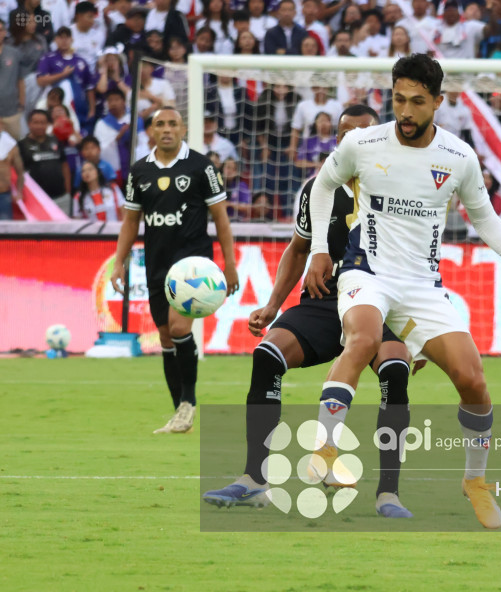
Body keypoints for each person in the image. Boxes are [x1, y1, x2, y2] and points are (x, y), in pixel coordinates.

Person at [304, 55, 501, 530]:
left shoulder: (458, 156)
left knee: (473, 380)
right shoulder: (363, 143)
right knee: (362, 339)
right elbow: (323, 188)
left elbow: (483, 216)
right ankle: (324, 446)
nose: (405, 111)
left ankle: (475, 482)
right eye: (399, 99)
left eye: (417, 102)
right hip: (367, 270)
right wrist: (320, 249)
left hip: (422, 285)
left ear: (438, 103)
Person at [203, 105, 418, 518]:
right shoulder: (317, 188)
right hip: (325, 301)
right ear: (336, 142)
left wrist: (415, 333)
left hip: (381, 304)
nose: (353, 140)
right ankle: (254, 480)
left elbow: (419, 267)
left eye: (363, 133)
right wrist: (272, 304)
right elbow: (298, 250)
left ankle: (388, 494)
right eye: (344, 134)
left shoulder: (403, 192)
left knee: (395, 370)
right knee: (267, 355)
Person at [111, 107, 239, 434]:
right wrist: (118, 263)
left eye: (172, 124)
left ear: (183, 129)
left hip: (193, 263)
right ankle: (179, 412)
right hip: (157, 263)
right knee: (165, 335)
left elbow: (221, 219)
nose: (166, 129)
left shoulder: (201, 166)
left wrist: (230, 265)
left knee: (179, 327)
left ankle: (189, 402)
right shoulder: (139, 171)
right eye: (160, 124)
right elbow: (130, 222)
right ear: (151, 131)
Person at [17, 109, 71, 214]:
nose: (39, 126)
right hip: (36, 200)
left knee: (63, 230)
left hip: (61, 197)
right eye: (36, 122)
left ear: (48, 124)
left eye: (42, 123)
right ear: (29, 124)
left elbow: (64, 166)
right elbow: (19, 172)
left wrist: (68, 191)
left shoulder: (55, 140)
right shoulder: (22, 145)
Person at [0, 18, 25, 141]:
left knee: (16, 144)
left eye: (0, 30)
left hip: (12, 111)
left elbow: (20, 80)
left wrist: (22, 103)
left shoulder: (14, 53)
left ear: (5, 32)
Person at [0, 120, 25, 219]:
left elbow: (20, 172)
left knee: (5, 231)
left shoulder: (10, 145)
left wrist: (19, 192)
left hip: (3, 195)